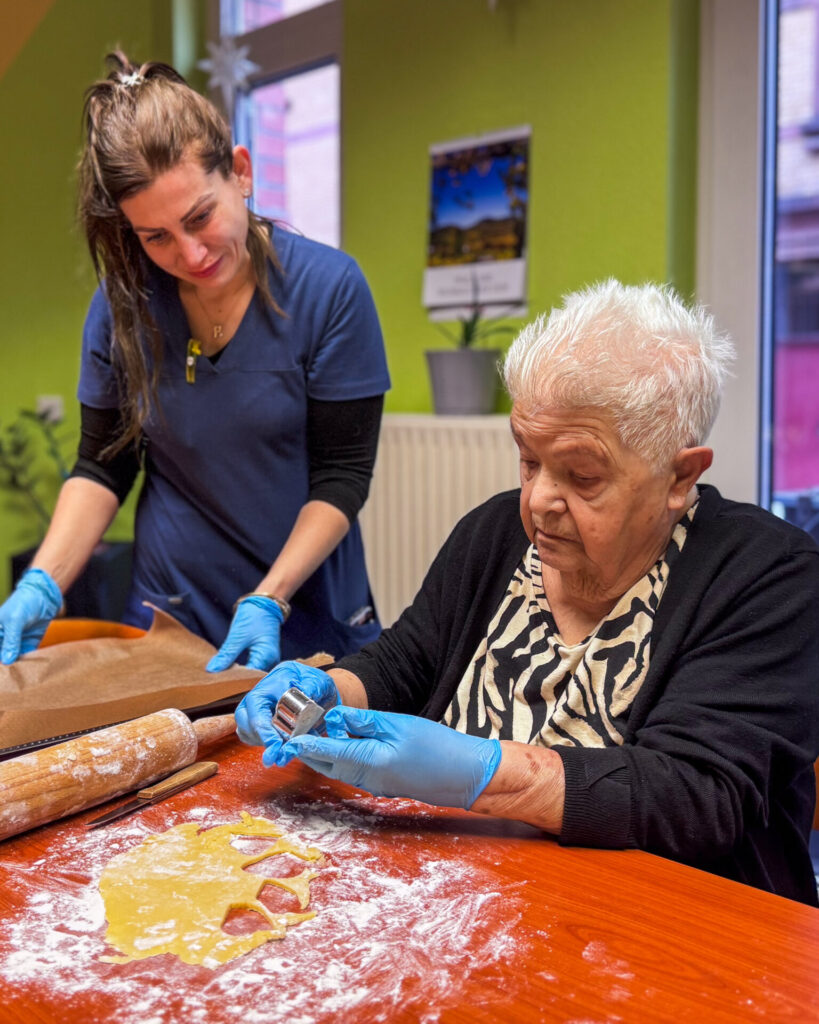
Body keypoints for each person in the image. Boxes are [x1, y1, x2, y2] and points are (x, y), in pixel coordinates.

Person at [236, 279, 819, 906]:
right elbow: (405, 661)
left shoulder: (773, 578)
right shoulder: (492, 535)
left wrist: (482, 772)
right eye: (528, 459)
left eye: (582, 475)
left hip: (662, 926)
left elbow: (692, 798)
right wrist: (322, 691)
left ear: (680, 477)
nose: (539, 500)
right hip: (467, 900)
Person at [0, 52, 390, 670]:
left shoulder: (330, 290)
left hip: (300, 604)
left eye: (199, 217)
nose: (189, 252)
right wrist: (42, 581)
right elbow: (104, 465)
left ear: (240, 172)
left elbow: (342, 477)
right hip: (171, 608)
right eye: (155, 237)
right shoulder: (121, 309)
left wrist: (270, 598)